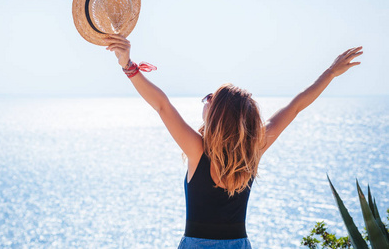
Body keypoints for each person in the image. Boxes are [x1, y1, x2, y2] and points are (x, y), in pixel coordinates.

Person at [104, 34, 363, 249]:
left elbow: (162, 106)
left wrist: (127, 65)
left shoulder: (197, 150)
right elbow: (295, 107)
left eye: (209, 98)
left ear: (217, 114)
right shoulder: (253, 150)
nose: (204, 101)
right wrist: (330, 72)